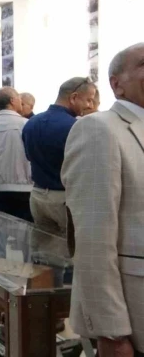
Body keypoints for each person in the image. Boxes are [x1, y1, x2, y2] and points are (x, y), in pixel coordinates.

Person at [62, 44, 144, 357]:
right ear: (116, 84)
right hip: (135, 315)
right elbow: (93, 239)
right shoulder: (99, 129)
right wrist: (111, 332)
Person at [22, 77, 96, 257]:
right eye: (88, 100)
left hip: (38, 195)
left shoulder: (31, 123)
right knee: (71, 252)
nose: (89, 105)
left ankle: (44, 276)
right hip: (64, 198)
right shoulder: (75, 126)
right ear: (74, 97)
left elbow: (28, 156)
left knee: (43, 252)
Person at [0, 87, 33, 222]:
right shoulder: (27, 125)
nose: (21, 101)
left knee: (0, 230)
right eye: (19, 98)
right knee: (24, 230)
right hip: (25, 188)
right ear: (12, 100)